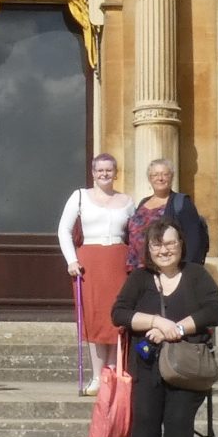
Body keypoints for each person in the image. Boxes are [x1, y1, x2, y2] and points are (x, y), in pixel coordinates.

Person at [112, 219, 218, 437]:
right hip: (147, 363)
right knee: (146, 419)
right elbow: (119, 313)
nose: (164, 250)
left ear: (181, 245)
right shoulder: (139, 278)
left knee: (178, 420)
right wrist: (156, 322)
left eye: (170, 243)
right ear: (148, 248)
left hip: (186, 365)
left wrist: (177, 328)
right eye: (157, 244)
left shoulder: (196, 275)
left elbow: (215, 310)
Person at [57, 153, 135, 395]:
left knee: (116, 316)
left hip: (118, 260)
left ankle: (112, 371)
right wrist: (71, 260)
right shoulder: (80, 196)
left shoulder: (127, 201)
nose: (104, 174)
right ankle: (97, 376)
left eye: (109, 170)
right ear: (93, 173)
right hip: (89, 261)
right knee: (94, 317)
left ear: (116, 173)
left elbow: (134, 235)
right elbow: (63, 229)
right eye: (100, 170)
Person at [126, 159, 209, 269]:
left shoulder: (182, 202)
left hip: (166, 270)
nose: (160, 178)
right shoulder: (143, 203)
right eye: (155, 175)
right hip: (137, 269)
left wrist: (186, 271)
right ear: (150, 179)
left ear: (172, 177)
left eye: (165, 174)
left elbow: (193, 241)